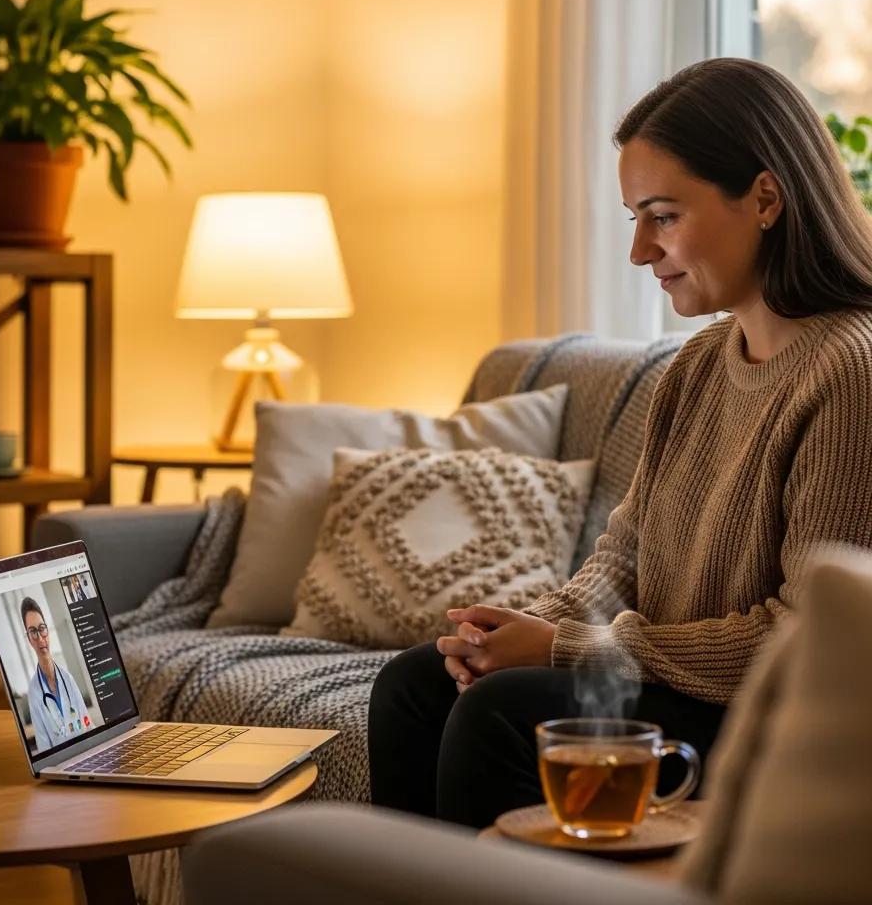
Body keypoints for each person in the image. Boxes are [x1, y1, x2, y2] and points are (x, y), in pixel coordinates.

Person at [368, 57, 872, 830]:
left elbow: (807, 638)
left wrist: (565, 649)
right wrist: (509, 632)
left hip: (769, 718)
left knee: (503, 714)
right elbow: (625, 556)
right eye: (636, 217)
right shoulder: (698, 363)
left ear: (766, 198)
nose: (639, 251)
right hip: (674, 688)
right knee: (415, 683)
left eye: (662, 216)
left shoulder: (851, 370)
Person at [21, 596, 95, 752]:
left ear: (47, 630)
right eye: (33, 632)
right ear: (29, 638)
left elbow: (88, 725)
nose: (40, 638)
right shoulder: (34, 692)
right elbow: (44, 748)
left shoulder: (67, 678)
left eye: (42, 628)